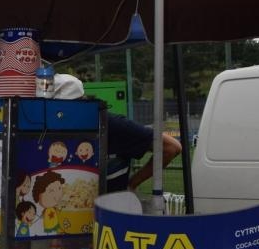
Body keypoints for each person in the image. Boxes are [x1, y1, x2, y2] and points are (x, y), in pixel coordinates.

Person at [54, 73, 182, 192]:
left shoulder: (111, 124)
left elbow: (171, 147)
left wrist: (132, 184)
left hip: (109, 209)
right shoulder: (51, 129)